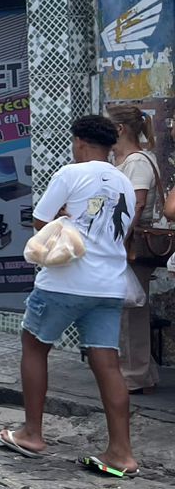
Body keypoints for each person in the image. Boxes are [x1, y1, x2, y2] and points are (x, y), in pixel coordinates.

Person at [0, 114, 138, 478]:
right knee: (107, 363)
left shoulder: (69, 173)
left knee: (34, 345)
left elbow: (41, 222)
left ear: (80, 142)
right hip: (109, 284)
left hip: (64, 281)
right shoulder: (124, 182)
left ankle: (32, 433)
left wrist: (64, 217)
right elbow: (117, 231)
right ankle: (121, 453)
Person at [109, 105, 161, 394]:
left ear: (119, 129)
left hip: (132, 244)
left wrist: (119, 240)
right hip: (128, 243)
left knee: (131, 311)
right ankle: (144, 372)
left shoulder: (137, 161)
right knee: (131, 308)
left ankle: (133, 375)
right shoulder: (131, 159)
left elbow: (137, 205)